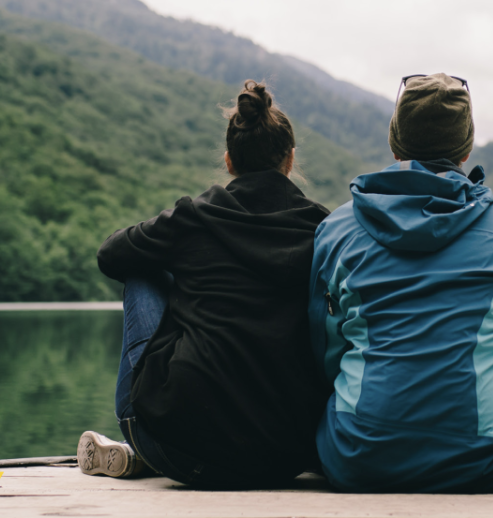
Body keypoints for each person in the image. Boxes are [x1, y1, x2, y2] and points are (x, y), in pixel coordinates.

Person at [308, 73, 493, 493]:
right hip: (480, 460)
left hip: (357, 455)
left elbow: (325, 348)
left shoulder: (338, 229)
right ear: (467, 149)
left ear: (394, 144)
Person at [78, 80, 331, 488]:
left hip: (182, 454)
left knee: (143, 268)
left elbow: (110, 255)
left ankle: (142, 447)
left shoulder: (193, 218)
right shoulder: (322, 230)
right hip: (289, 455)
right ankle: (147, 453)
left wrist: (183, 268)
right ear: (290, 159)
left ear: (229, 161)